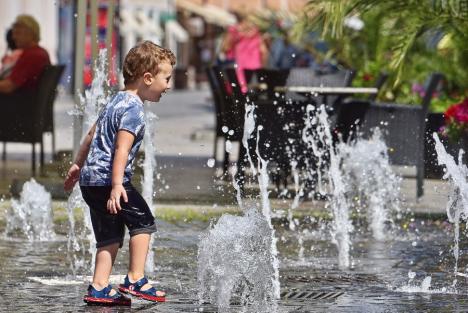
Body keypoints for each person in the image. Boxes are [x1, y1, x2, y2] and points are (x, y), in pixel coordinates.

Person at [63, 40, 176, 306]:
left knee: (110, 234)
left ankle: (99, 286)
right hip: (109, 180)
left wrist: (78, 165)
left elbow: (91, 136)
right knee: (143, 220)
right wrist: (117, 185)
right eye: (167, 78)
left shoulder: (114, 100)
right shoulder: (134, 109)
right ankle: (135, 278)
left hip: (91, 181)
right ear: (148, 78)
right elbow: (122, 149)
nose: (169, 86)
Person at [0, 14, 50, 93]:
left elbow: (8, 86)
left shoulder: (32, 56)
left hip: (16, 102)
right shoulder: (41, 52)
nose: (13, 37)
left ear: (31, 34)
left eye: (17, 33)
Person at [221, 12, 268, 93]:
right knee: (257, 93)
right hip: (255, 69)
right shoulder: (257, 34)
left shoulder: (234, 32)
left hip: (239, 70)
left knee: (238, 90)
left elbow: (225, 48)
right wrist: (264, 66)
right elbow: (264, 52)